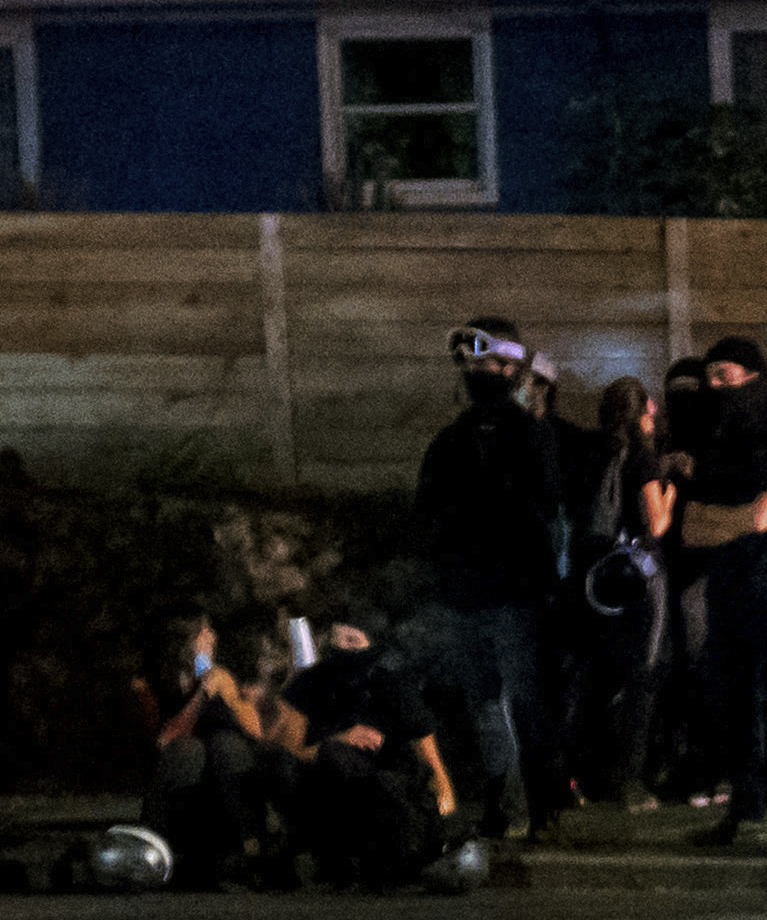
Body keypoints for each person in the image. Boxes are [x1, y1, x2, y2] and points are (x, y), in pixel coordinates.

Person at [411, 324, 569, 845]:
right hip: (466, 595)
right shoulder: (452, 439)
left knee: (523, 702)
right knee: (484, 706)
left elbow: (545, 508)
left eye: (484, 363)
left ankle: (539, 805)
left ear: (509, 368)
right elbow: (426, 513)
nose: (474, 372)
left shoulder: (530, 435)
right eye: (469, 365)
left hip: (514, 595)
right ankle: (504, 802)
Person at [665, 336, 767, 851]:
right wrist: (741, 519)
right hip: (727, 592)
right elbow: (691, 528)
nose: (713, 387)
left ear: (754, 378)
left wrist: (728, 520)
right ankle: (743, 809)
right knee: (733, 706)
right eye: (709, 377)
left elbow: (765, 515)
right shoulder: (715, 448)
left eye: (723, 376)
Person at [274, 607, 463, 889]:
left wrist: (445, 824)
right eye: (336, 640)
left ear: (372, 645)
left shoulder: (392, 686)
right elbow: (290, 749)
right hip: (321, 790)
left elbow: (432, 763)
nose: (342, 648)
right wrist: (339, 740)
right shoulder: (311, 682)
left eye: (352, 641)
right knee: (330, 759)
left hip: (381, 792)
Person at [565, 371, 676, 808]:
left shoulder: (593, 453)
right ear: (643, 412)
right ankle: (630, 780)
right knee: (642, 677)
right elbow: (656, 523)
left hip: (596, 578)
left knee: (593, 676)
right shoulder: (643, 458)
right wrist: (670, 490)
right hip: (640, 578)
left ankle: (578, 777)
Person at [143, 613, 285, 884]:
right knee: (189, 751)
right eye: (202, 632)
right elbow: (166, 738)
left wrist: (215, 683)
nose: (210, 637)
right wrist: (203, 686)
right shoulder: (156, 682)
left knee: (226, 745)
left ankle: (248, 849)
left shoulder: (222, 676)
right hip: (187, 767)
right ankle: (168, 854)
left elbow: (251, 732)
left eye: (209, 631)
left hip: (224, 765)